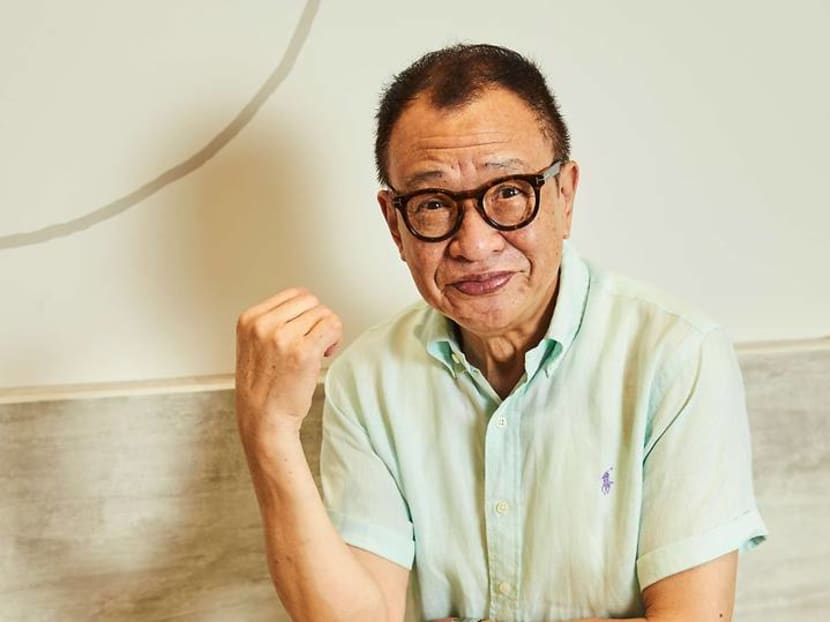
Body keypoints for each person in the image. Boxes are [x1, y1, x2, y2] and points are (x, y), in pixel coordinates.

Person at [234, 43, 767, 622]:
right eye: (433, 203)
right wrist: (269, 430)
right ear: (395, 225)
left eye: (509, 192)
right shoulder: (368, 378)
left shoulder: (677, 355)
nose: (475, 244)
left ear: (565, 196)